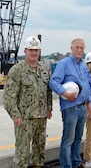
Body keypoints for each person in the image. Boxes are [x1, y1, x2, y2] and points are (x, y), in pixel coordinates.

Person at [3, 36, 53, 168]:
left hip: (41, 117)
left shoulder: (44, 69)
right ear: (25, 51)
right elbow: (8, 97)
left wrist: (49, 108)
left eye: (36, 50)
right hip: (24, 119)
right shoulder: (17, 70)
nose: (34, 53)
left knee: (39, 150)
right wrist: (15, 115)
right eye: (31, 50)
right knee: (22, 153)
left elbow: (48, 90)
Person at [49, 38, 91, 168]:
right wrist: (64, 93)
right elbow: (53, 82)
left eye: (81, 48)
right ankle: (66, 165)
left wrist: (89, 103)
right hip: (70, 108)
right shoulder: (64, 63)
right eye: (77, 47)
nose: (79, 50)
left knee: (78, 138)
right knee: (68, 140)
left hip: (82, 107)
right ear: (71, 48)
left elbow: (87, 85)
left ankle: (76, 162)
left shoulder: (84, 66)